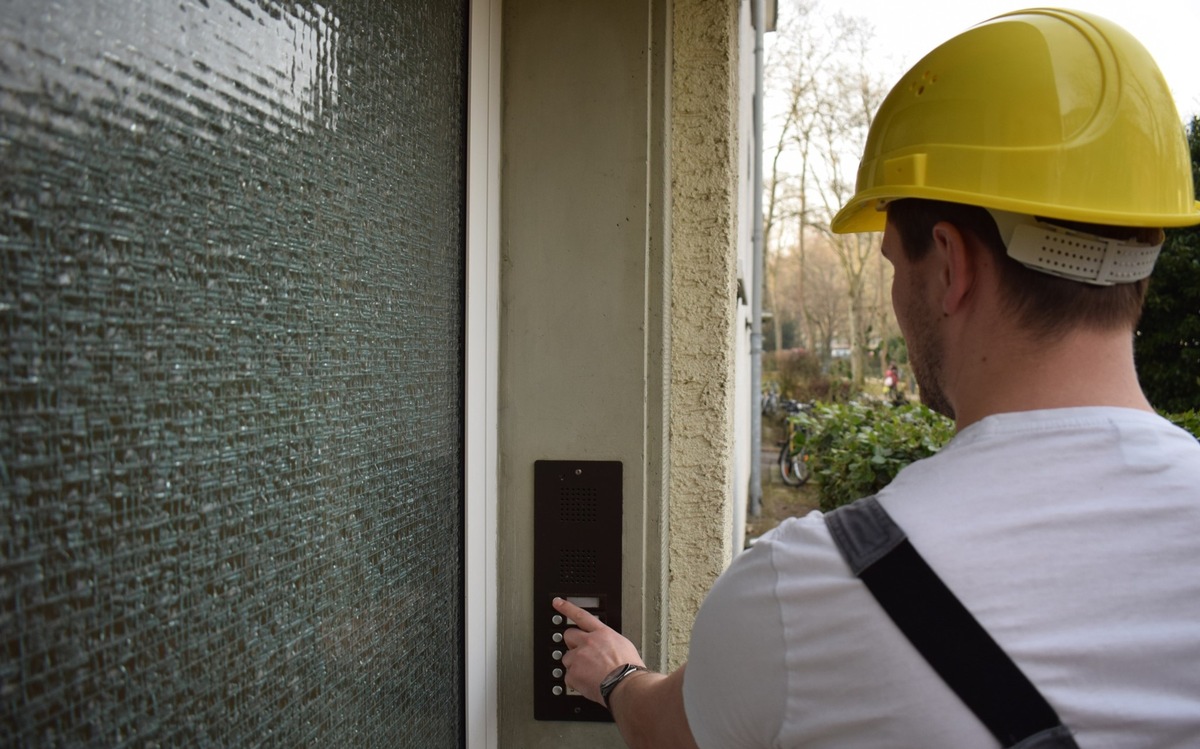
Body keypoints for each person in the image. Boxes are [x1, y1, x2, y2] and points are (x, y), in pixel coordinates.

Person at [557, 7, 1200, 748]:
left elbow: (663, 727)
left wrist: (615, 675)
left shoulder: (807, 595)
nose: (895, 295)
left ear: (952, 264)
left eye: (894, 262)